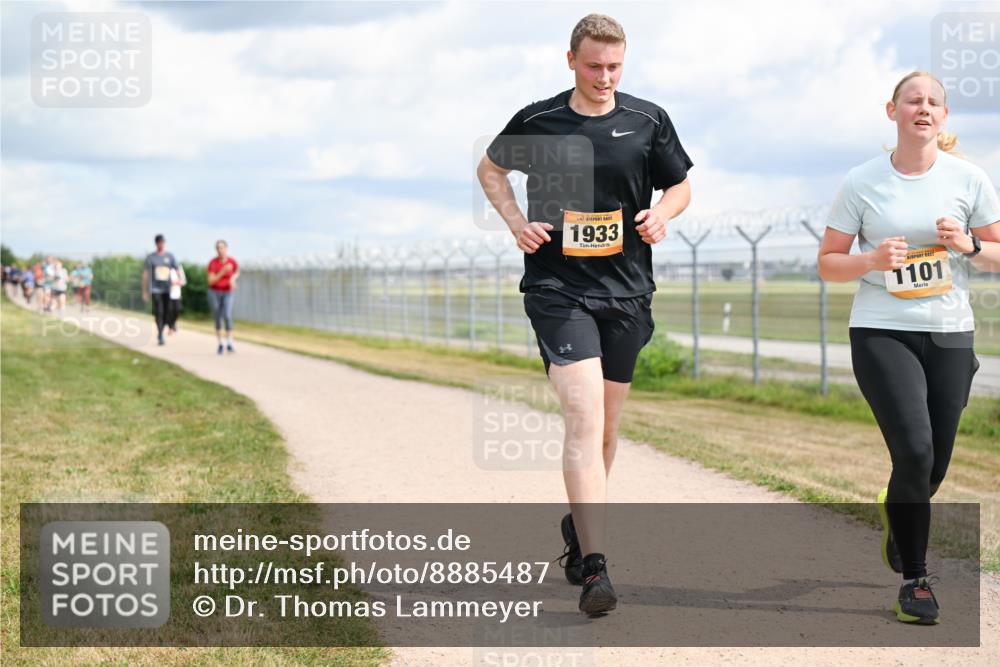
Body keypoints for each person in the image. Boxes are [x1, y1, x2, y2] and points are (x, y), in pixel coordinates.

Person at [477, 13, 692, 615]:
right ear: (570, 59)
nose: (604, 77)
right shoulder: (539, 121)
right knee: (582, 416)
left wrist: (664, 214)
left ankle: (580, 528)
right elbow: (491, 170)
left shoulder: (648, 120)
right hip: (557, 288)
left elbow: (680, 186)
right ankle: (597, 567)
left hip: (625, 292)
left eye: (615, 66)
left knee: (606, 430)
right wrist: (516, 223)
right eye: (594, 65)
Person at [818, 71, 1000, 625]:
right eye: (913, 100)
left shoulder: (969, 179)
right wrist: (872, 261)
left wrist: (967, 245)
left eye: (933, 102)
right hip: (881, 329)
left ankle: (900, 512)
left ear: (943, 117)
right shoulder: (862, 181)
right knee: (915, 451)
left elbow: (996, 253)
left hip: (949, 330)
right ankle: (916, 581)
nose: (923, 108)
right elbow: (828, 264)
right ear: (892, 110)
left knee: (934, 461)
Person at [142, 234, 180, 346]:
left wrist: (179, 280)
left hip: (168, 288)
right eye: (159, 242)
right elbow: (145, 274)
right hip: (155, 288)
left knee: (169, 310)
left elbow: (177, 270)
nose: (161, 244)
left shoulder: (170, 256)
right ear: (156, 243)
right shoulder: (151, 257)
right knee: (159, 311)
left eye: (163, 242)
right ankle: (160, 334)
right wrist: (145, 290)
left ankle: (169, 325)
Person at [207, 239, 240, 354]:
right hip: (215, 292)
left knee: (227, 314)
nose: (220, 250)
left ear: (226, 248)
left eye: (222, 248)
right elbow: (211, 281)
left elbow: (237, 272)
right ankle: (220, 343)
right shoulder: (213, 263)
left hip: (228, 292)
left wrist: (233, 279)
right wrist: (222, 271)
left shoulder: (232, 261)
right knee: (217, 316)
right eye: (218, 248)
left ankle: (230, 343)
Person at [166, 264, 186, 334]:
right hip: (168, 294)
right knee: (169, 311)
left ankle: (173, 323)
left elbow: (184, 282)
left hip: (177, 294)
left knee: (177, 310)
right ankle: (170, 326)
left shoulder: (179, 268)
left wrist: (178, 280)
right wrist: (170, 282)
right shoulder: (167, 267)